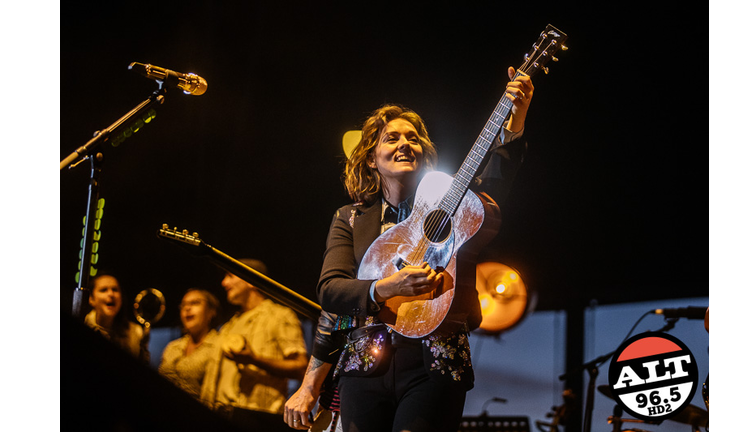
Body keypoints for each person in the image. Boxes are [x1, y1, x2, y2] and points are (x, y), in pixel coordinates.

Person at [314, 66, 534, 432]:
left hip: (437, 360)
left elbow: (492, 189)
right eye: (392, 138)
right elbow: (330, 290)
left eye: (413, 138)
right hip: (364, 364)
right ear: (371, 158)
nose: (405, 143)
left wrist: (515, 121)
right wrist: (387, 287)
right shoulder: (349, 218)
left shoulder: (451, 203)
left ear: (423, 153)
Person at [200, 258, 309, 431]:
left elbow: (301, 368)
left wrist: (254, 359)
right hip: (222, 418)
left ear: (251, 280)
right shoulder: (228, 327)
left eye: (230, 276)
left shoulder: (279, 316)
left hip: (259, 420)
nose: (224, 282)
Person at [158, 288, 220, 399]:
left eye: (195, 303)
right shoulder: (172, 347)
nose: (187, 308)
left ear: (211, 311)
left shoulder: (218, 346)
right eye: (183, 305)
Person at [84, 273, 149, 364]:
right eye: (103, 290)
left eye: (115, 290)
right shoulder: (84, 324)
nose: (111, 294)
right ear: (91, 299)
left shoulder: (135, 332)